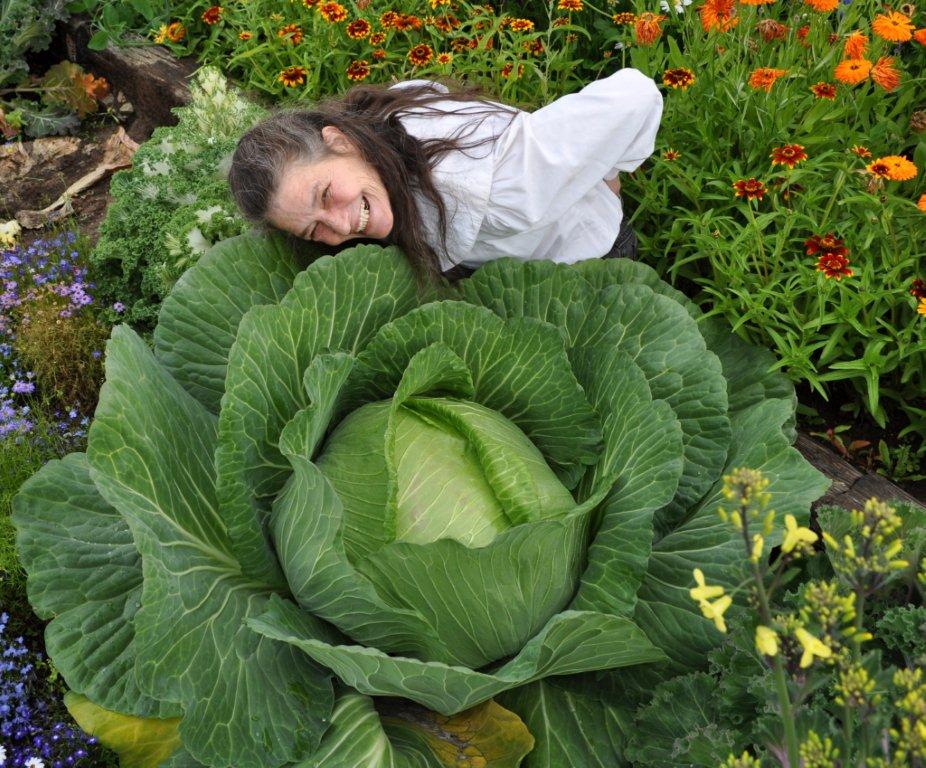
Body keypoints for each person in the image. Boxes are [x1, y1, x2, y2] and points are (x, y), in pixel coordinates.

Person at [227, 68, 663, 282]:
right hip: (521, 276)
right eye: (314, 229)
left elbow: (634, 95)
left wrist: (607, 174)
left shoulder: (493, 191)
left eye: (325, 196)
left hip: (595, 260)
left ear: (340, 141)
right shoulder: (377, 129)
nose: (340, 226)